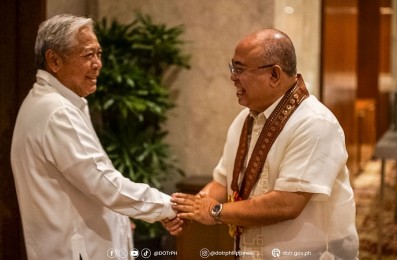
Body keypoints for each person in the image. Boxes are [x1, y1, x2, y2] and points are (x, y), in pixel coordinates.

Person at [164, 29, 359, 259]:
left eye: (240, 69)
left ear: (274, 75)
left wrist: (215, 211)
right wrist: (191, 210)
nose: (232, 77)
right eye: (232, 68)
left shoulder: (314, 123)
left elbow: (288, 203)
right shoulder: (244, 120)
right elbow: (223, 182)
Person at [10, 14, 176, 260]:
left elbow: (88, 181)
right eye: (88, 55)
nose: (98, 64)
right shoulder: (57, 112)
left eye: (99, 54)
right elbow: (103, 183)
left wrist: (120, 217)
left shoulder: (60, 102)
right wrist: (168, 207)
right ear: (54, 60)